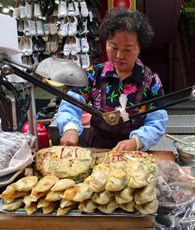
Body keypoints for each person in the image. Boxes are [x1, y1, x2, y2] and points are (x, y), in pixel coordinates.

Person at [55, 8, 168, 151]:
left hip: (133, 153)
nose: (119, 55)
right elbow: (72, 102)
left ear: (140, 47)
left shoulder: (151, 81)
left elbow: (157, 122)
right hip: (96, 149)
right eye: (113, 47)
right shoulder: (93, 74)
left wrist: (136, 141)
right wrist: (69, 127)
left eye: (127, 49)